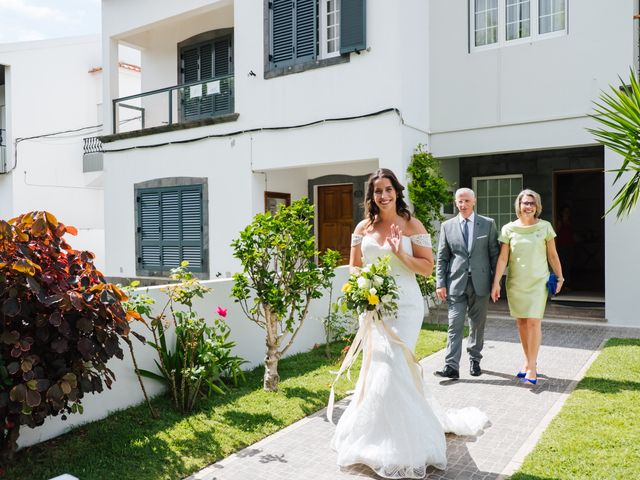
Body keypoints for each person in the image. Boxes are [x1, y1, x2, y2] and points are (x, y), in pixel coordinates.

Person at [331, 169, 488, 478]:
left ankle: (407, 444)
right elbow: (353, 267)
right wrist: (363, 290)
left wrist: (396, 254)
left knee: (394, 368)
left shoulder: (411, 224)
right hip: (374, 306)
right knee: (376, 369)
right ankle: (375, 437)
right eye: (377, 191)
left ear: (396, 191)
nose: (383, 195)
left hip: (405, 305)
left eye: (388, 189)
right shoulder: (363, 227)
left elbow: (427, 268)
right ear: (371, 196)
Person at [490, 189, 564, 385]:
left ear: (537, 206)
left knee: (533, 322)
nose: (528, 206)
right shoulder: (508, 229)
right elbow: (503, 258)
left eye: (532, 203)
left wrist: (560, 276)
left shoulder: (545, 227)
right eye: (525, 203)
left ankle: (532, 367)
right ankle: (527, 361)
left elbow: (553, 255)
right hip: (516, 283)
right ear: (519, 206)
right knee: (521, 323)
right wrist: (496, 282)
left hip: (538, 283)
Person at [434, 188, 499, 379]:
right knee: (454, 324)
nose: (463, 205)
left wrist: (497, 283)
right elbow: (442, 257)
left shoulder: (487, 224)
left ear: (474, 202)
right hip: (456, 283)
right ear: (456, 203)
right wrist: (440, 283)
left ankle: (475, 360)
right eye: (459, 201)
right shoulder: (447, 226)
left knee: (477, 325)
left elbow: (494, 254)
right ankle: (451, 366)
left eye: (466, 201)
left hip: (481, 283)